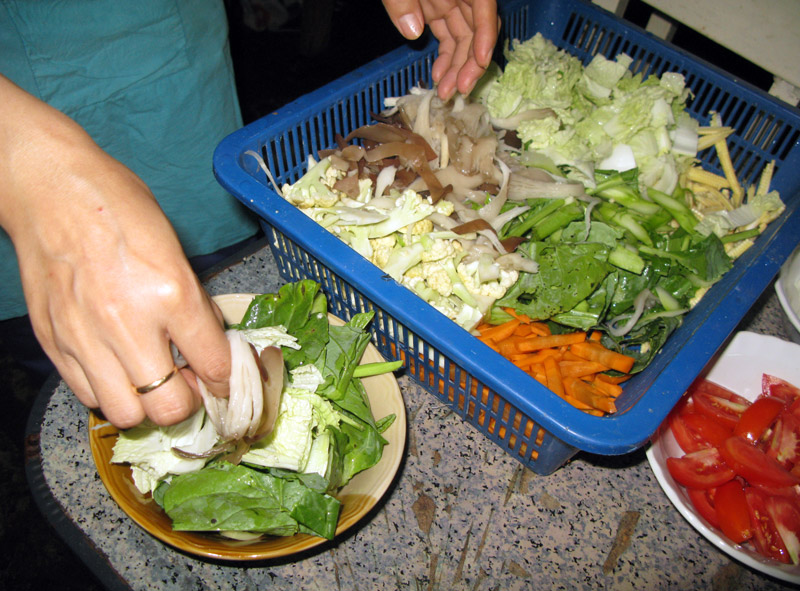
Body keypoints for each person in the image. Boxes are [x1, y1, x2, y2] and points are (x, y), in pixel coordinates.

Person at [0, 0, 499, 430]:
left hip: (173, 86)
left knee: (231, 287)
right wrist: (25, 161)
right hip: (22, 179)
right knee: (85, 383)